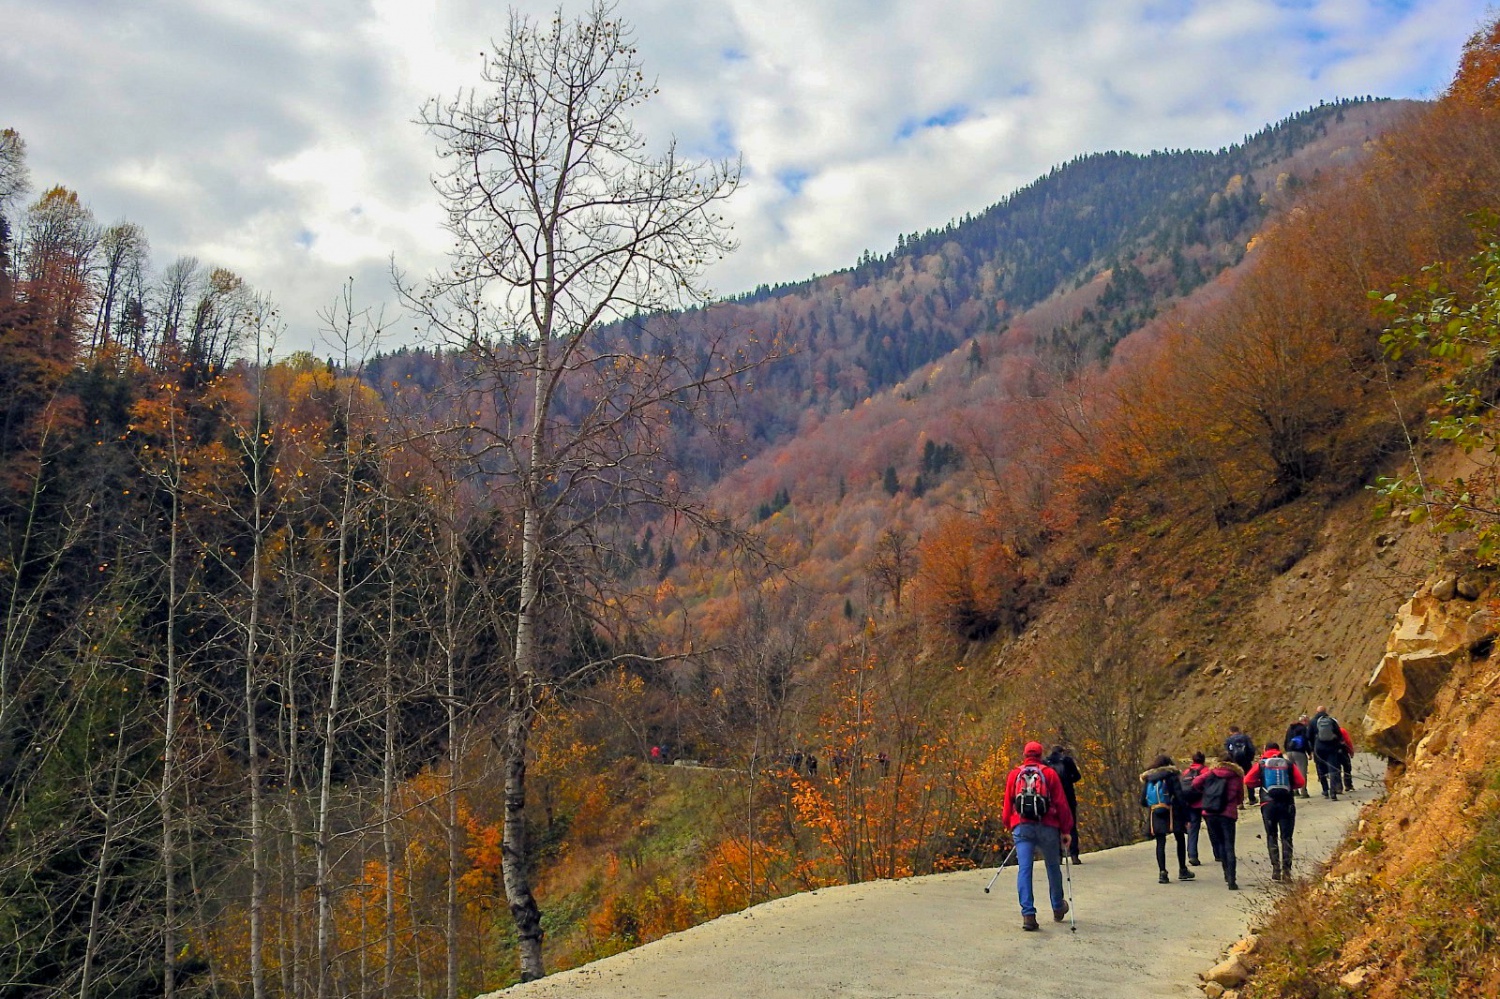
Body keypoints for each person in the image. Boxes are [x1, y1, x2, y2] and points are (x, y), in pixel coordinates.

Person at [1002, 741, 1075, 931]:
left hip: (1022, 827)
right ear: (1041, 755)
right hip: (1047, 826)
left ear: (1025, 755)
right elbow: (1061, 804)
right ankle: (1058, 907)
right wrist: (1066, 830)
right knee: (1053, 866)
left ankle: (1028, 915)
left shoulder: (1014, 774)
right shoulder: (1049, 773)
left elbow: (1007, 805)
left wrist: (1010, 824)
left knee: (1025, 869)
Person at [1244, 742, 1306, 881]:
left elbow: (1247, 780)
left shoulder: (1261, 765)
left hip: (1268, 804)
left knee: (1271, 835)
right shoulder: (1288, 764)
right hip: (1287, 804)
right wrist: (1288, 787)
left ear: (1265, 750)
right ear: (1279, 751)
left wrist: (1261, 783)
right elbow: (1300, 782)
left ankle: (1276, 869)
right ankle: (1287, 871)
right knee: (1286, 837)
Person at [1192, 755, 1246, 890]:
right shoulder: (1236, 776)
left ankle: (1226, 873)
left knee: (1220, 844)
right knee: (1229, 845)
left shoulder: (1211, 773)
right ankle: (1232, 879)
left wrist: (1206, 793)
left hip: (1210, 813)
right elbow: (1240, 796)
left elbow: (1195, 783)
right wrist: (1234, 802)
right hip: (1228, 814)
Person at [1140, 754, 1195, 883]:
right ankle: (1182, 869)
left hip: (1156, 813)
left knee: (1160, 843)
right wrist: (1187, 817)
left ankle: (1162, 873)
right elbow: (1180, 797)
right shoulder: (1172, 776)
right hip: (1173, 812)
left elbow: (1143, 801)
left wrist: (1155, 805)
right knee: (1180, 839)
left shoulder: (1149, 778)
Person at [1044, 743, 1083, 863]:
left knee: (1055, 827)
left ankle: (1058, 856)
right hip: (1068, 797)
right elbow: (1077, 776)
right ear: (1062, 752)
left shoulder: (1046, 762)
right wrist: (1068, 780)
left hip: (1052, 799)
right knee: (1071, 825)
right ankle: (1074, 855)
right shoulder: (1067, 761)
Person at [1180, 751, 1213, 865]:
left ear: (1193, 760)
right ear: (1203, 760)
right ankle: (1218, 853)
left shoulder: (1186, 772)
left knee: (1193, 830)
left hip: (1191, 804)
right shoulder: (1206, 771)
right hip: (1205, 803)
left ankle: (1192, 855)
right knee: (1212, 828)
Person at [1309, 705, 1345, 799]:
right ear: (1325, 711)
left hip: (1319, 749)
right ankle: (1333, 792)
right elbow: (1339, 734)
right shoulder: (1331, 721)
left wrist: (1312, 748)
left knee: (1321, 770)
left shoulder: (1312, 721)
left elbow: (1308, 736)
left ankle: (1325, 790)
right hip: (1331, 748)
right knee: (1333, 770)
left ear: (1317, 712)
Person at [1283, 715, 1312, 798]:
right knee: (1302, 772)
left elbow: (1285, 741)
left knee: (1293, 772)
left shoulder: (1290, 728)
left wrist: (1287, 750)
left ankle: (1295, 790)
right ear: (1304, 721)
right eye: (1307, 721)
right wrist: (1309, 752)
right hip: (1299, 753)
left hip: (1289, 752)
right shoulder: (1303, 728)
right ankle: (1303, 791)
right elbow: (1305, 741)